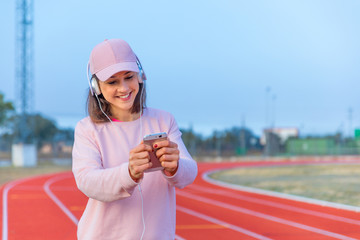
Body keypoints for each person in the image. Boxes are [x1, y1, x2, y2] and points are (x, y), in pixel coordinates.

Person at [72, 38, 198, 240]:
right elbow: (87, 182)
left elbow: (189, 172)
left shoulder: (164, 120)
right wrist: (129, 173)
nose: (123, 88)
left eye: (129, 77)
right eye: (112, 82)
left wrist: (175, 167)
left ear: (140, 75)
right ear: (96, 87)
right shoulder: (87, 129)